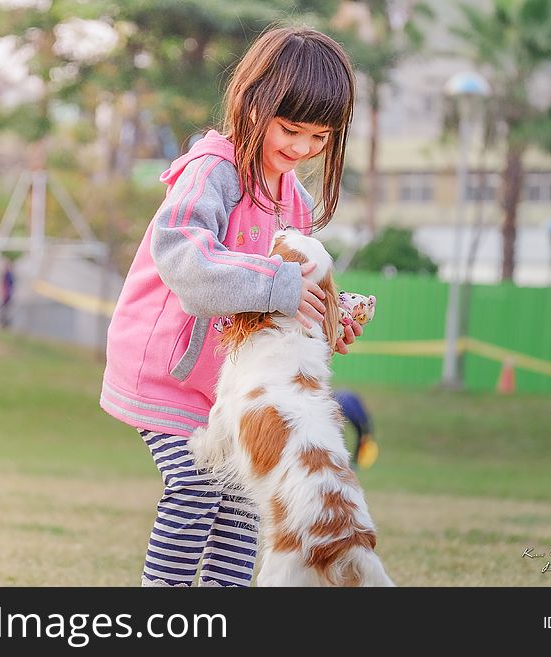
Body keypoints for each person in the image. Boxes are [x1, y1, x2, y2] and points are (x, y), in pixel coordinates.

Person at [100, 25, 358, 587]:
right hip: (167, 370)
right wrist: (283, 285)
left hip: (233, 384)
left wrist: (328, 314)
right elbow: (185, 259)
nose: (303, 148)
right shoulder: (212, 172)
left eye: (320, 136)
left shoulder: (295, 199)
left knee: (244, 501)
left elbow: (290, 288)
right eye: (291, 129)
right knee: (194, 485)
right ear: (253, 102)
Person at [333, 389, 374, 469]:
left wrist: (368, 432)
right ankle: (342, 461)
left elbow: (364, 420)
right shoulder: (334, 405)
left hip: (351, 406)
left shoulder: (354, 413)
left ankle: (355, 461)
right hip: (341, 403)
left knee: (361, 435)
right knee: (337, 436)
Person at [0, 260, 14, 328]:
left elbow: (9, 285)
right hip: (6, 295)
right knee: (4, 310)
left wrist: (6, 292)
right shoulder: (7, 274)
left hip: (7, 295)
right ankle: (3, 323)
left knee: (6, 310)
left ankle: (5, 324)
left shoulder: (9, 275)